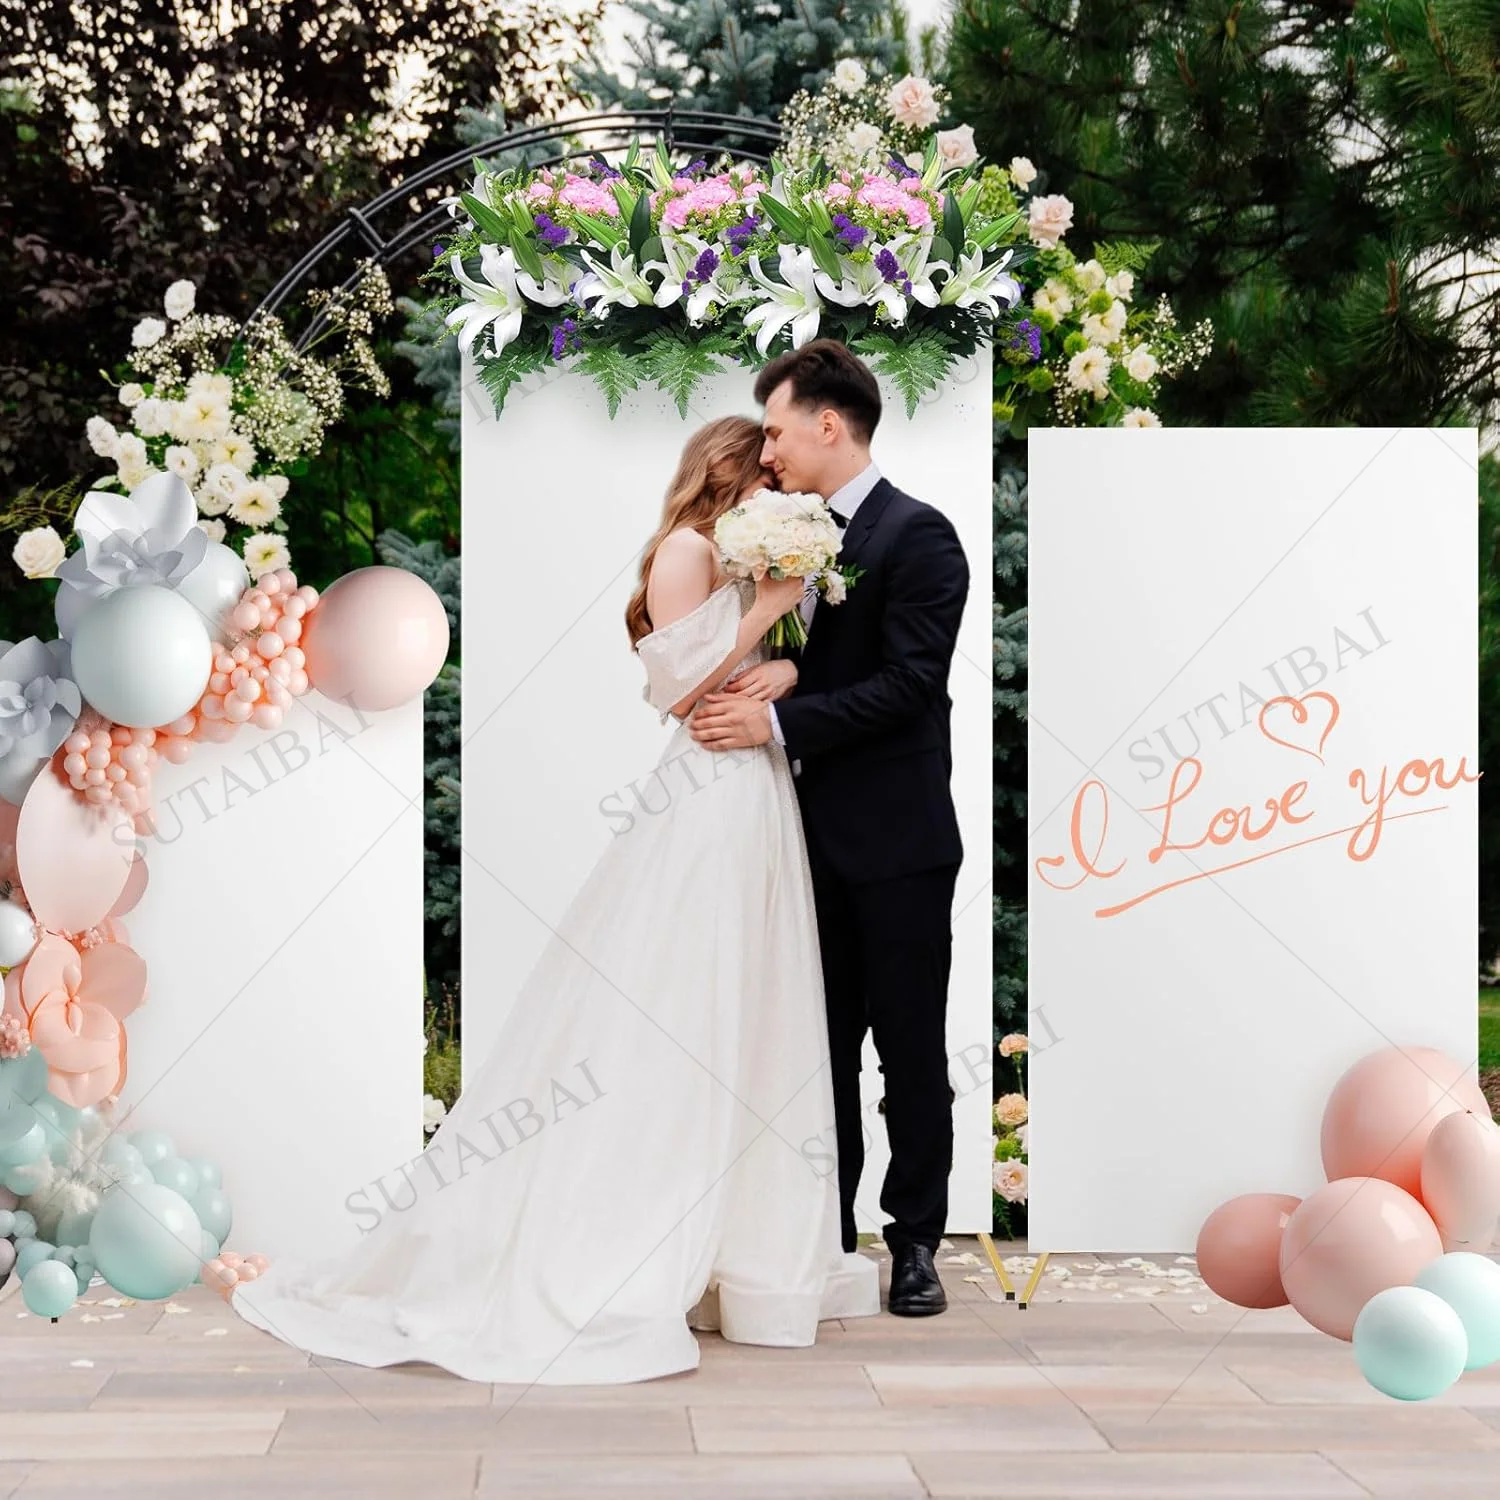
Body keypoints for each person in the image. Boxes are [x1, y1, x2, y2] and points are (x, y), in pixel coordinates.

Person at [229, 415, 879, 1383]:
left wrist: (781, 657)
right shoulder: (688, 548)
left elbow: (746, 668)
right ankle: (624, 1244)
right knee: (679, 1001)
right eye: (767, 472)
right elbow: (672, 683)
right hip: (705, 788)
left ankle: (740, 1258)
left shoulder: (741, 552)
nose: (782, 483)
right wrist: (765, 606)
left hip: (753, 785)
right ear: (733, 477)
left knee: (753, 1000)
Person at [690, 339, 969, 1317]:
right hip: (795, 839)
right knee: (814, 1050)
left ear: (827, 423)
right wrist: (789, 672)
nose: (766, 453)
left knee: (909, 1052)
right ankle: (824, 1236)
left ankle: (917, 1243)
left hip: (896, 845)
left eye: (775, 430)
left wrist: (779, 714)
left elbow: (908, 684)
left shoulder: (919, 536)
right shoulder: (784, 532)